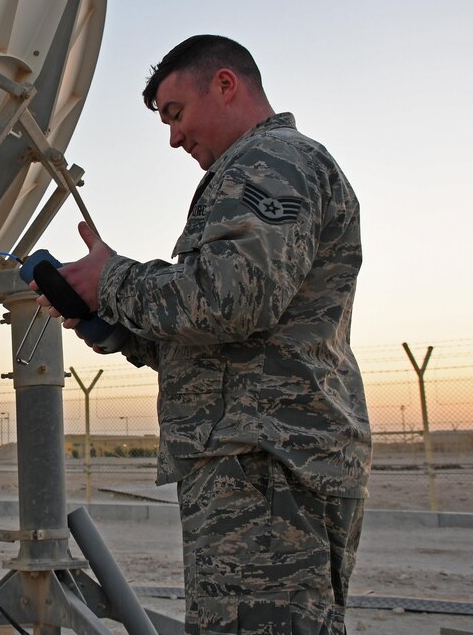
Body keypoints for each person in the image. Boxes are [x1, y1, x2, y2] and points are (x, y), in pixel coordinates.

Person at [32, 35, 371, 633]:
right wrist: (116, 329)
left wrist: (111, 279)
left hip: (267, 466)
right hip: (252, 464)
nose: (173, 137)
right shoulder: (251, 171)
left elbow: (232, 294)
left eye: (176, 113)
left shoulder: (273, 162)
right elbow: (226, 337)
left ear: (224, 84)